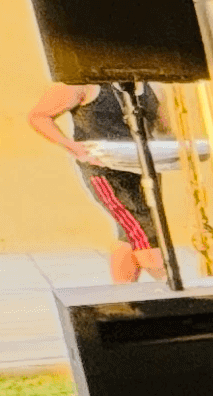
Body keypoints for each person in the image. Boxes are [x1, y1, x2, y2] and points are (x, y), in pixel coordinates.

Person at [29, 82, 169, 283]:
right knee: (144, 229)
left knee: (129, 234)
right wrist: (71, 146)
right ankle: (171, 284)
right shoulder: (82, 86)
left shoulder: (153, 88)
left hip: (144, 169)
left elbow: (163, 129)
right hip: (105, 172)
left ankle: (124, 297)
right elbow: (39, 116)